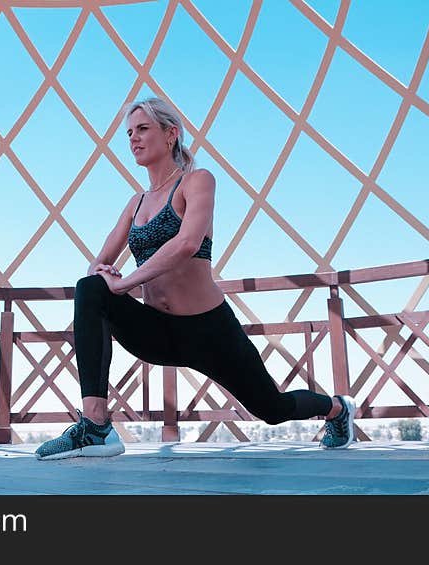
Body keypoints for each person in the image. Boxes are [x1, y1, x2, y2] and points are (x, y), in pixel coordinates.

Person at [35, 97, 355, 460]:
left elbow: (187, 243)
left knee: (272, 408)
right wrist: (104, 273)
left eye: (143, 129)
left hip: (209, 332)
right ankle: (94, 427)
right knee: (89, 289)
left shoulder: (197, 182)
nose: (133, 140)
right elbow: (99, 263)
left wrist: (124, 283)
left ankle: (337, 409)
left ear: (171, 134)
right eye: (129, 133)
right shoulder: (135, 203)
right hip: (157, 332)